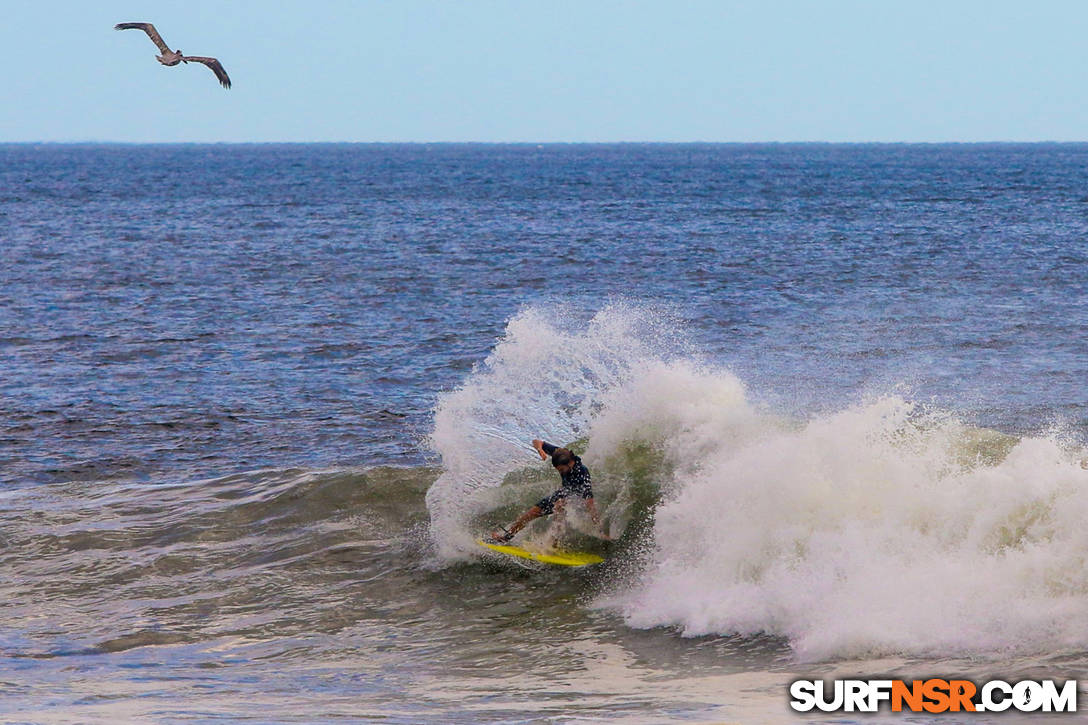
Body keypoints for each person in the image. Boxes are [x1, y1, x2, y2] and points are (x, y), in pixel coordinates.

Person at [490, 439, 609, 543]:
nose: (560, 472)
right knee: (530, 513)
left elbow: (590, 503)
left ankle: (555, 544)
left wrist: (599, 529)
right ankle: (506, 537)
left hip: (576, 500)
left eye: (562, 470)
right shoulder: (560, 454)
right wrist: (540, 450)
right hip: (563, 493)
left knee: (561, 505)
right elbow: (537, 441)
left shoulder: (582, 473)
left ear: (569, 463)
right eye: (558, 470)